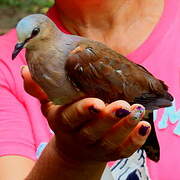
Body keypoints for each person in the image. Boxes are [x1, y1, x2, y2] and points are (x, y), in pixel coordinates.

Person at [0, 0, 179, 179]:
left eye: (34, 34)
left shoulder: (77, 58)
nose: (21, 45)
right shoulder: (8, 66)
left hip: (135, 99)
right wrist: (70, 158)